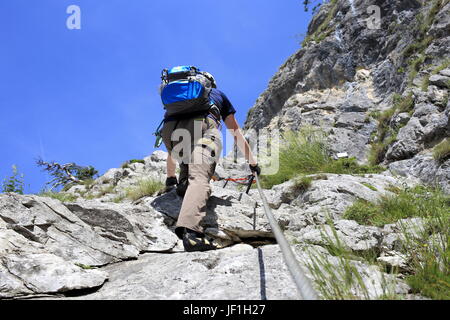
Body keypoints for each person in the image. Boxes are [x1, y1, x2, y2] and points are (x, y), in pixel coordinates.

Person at [160, 68, 260, 252]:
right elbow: (236, 133)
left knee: (186, 158)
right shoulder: (217, 94)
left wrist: (170, 177)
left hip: (171, 134)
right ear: (209, 84)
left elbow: (171, 151)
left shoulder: (177, 100)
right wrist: (252, 163)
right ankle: (191, 232)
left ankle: (183, 182)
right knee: (200, 177)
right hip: (203, 127)